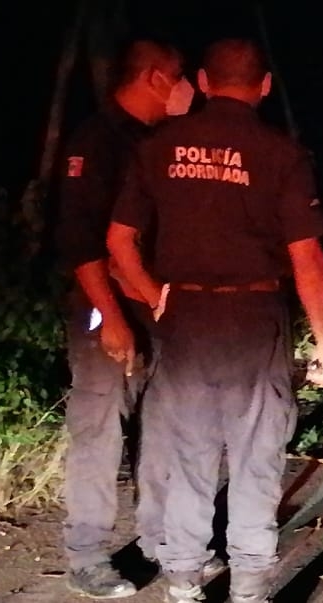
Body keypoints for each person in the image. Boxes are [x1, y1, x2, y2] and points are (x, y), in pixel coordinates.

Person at [107, 38, 323, 603]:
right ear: (264, 87)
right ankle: (250, 584)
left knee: (188, 453)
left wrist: (152, 295)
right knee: (257, 452)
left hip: (185, 318)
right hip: (255, 319)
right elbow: (307, 257)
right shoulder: (282, 154)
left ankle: (183, 578)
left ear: (205, 83)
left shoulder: (159, 145)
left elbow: (118, 240)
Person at [53, 38, 221, 598]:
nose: (185, 90)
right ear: (154, 78)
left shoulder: (161, 142)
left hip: (159, 309)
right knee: (100, 428)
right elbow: (82, 243)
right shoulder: (97, 141)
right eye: (177, 77)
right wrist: (112, 317)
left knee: (164, 430)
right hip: (108, 310)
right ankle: (87, 553)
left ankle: (160, 540)